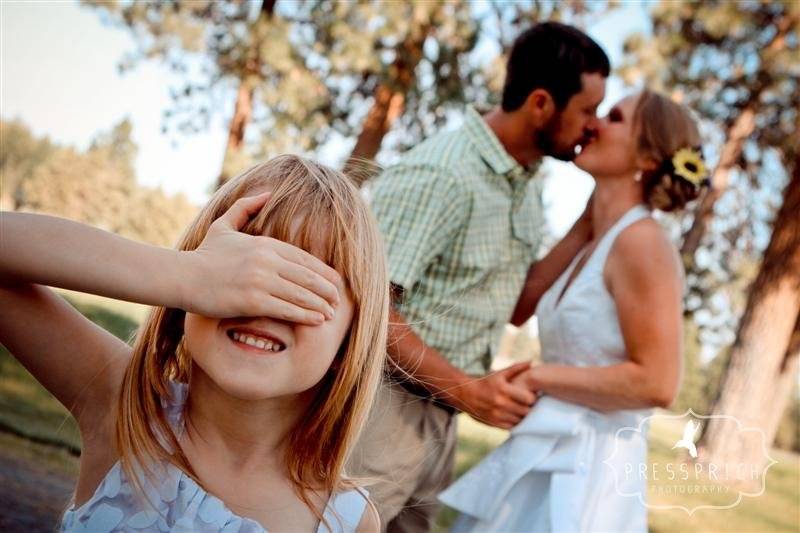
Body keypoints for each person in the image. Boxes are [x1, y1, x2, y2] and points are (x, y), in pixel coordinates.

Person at [0, 155, 389, 532]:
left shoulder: (348, 522)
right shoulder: (123, 407)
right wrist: (186, 276)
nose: (261, 299)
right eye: (243, 268)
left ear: (349, 340)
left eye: (302, 287)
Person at [348, 22, 610, 531]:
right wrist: (468, 390)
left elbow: (515, 303)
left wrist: (589, 221)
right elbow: (366, 308)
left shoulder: (525, 181)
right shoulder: (445, 174)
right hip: (381, 409)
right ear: (540, 103)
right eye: (587, 112)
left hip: (439, 418)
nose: (593, 127)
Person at [440, 90, 709, 532]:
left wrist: (539, 376)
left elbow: (658, 382)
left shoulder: (643, 243)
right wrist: (586, 223)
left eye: (615, 118)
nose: (594, 125)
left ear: (646, 156)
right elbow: (519, 305)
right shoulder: (596, 239)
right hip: (548, 447)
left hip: (592, 473)